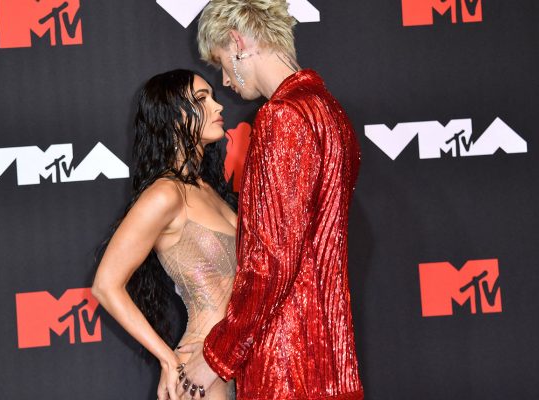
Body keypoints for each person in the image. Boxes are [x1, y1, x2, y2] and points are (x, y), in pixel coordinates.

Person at [171, 1, 364, 399]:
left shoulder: (283, 117)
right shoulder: (330, 112)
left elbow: (270, 263)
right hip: (332, 361)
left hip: (286, 366)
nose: (224, 80)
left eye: (222, 61)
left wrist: (214, 359)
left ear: (238, 42)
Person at [92, 69, 237, 400]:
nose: (218, 107)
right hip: (201, 375)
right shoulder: (164, 195)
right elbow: (105, 285)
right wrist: (168, 360)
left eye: (213, 96)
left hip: (241, 362)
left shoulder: (209, 189)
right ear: (173, 117)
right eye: (202, 100)